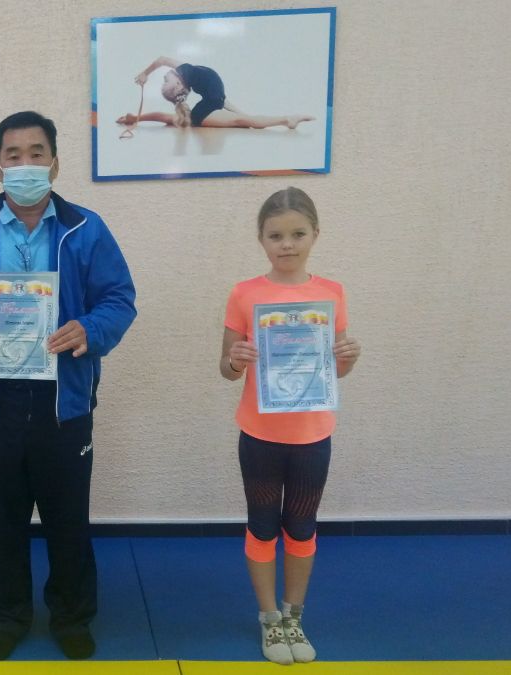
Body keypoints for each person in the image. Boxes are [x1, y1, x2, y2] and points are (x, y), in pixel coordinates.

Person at [0, 111, 137, 661]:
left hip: (64, 400)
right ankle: (10, 615)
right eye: (14, 155)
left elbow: (119, 299)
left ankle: (71, 616)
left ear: (55, 163)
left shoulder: (86, 228)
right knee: (4, 519)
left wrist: (89, 329)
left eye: (36, 153)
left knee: (68, 518)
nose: (25, 164)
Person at [219, 187, 361, 665]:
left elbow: (335, 369)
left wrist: (348, 356)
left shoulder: (332, 292)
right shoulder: (244, 294)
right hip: (260, 435)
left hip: (311, 435)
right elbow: (226, 367)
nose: (287, 244)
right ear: (261, 239)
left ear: (315, 234)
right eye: (275, 235)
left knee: (301, 527)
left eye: (297, 234)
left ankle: (293, 615)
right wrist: (236, 359)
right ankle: (269, 620)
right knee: (262, 526)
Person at [117, 57, 315, 130]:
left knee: (245, 120)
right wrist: (136, 117)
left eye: (164, 80)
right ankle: (286, 119)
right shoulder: (187, 72)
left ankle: (283, 120)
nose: (165, 78)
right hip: (210, 105)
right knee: (243, 121)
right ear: (178, 85)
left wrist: (145, 73)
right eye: (166, 82)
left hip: (215, 100)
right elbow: (162, 60)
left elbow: (161, 60)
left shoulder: (188, 72)